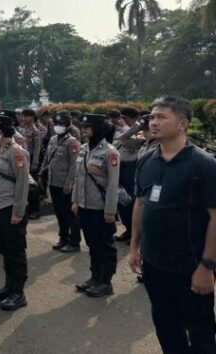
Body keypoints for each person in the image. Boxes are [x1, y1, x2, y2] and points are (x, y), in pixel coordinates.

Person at [128, 96, 216, 354]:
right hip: (154, 264)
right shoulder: (146, 160)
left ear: (183, 124)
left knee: (201, 334)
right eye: (152, 117)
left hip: (190, 266)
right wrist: (134, 247)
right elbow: (140, 204)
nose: (153, 122)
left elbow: (215, 217)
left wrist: (207, 266)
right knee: (166, 326)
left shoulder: (203, 164)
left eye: (162, 117)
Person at [72, 114, 120, 298]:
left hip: (100, 208)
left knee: (105, 245)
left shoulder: (110, 152)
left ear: (98, 128)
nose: (84, 129)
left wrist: (110, 210)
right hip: (85, 205)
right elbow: (78, 177)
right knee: (92, 244)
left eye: (88, 127)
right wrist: (75, 201)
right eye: (83, 127)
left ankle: (105, 282)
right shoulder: (84, 149)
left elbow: (113, 185)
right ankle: (95, 277)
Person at [0, 114, 30, 311]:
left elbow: (22, 185)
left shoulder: (17, 152)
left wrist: (18, 212)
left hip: (11, 207)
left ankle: (18, 293)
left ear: (3, 131)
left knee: (15, 251)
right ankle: (8, 286)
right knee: (5, 249)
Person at [40, 112, 81, 253]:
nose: (58, 127)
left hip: (65, 184)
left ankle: (75, 241)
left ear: (68, 126)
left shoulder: (72, 142)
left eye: (61, 125)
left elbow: (74, 165)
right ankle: (63, 237)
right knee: (59, 213)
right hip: (53, 182)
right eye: (56, 124)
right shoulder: (52, 140)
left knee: (70, 213)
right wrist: (41, 173)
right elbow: (46, 158)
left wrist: (69, 183)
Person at [113, 107, 142, 243]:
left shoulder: (139, 131)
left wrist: (137, 125)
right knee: (121, 199)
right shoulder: (124, 130)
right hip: (120, 165)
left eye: (124, 118)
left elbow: (124, 139)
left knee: (130, 199)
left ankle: (135, 233)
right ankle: (128, 229)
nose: (121, 120)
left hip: (130, 167)